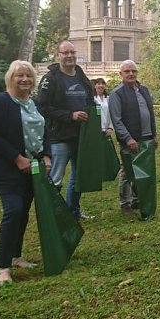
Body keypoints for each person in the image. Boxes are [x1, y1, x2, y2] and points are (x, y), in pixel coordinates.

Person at [0, 60, 51, 285]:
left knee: (23, 213)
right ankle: (4, 268)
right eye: (19, 75)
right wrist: (17, 158)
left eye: (28, 75)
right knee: (13, 211)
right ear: (10, 78)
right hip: (7, 168)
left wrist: (47, 155)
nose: (24, 79)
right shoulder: (1, 103)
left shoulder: (34, 104)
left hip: (32, 168)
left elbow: (45, 131)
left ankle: (16, 256)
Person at [37, 40, 95, 220]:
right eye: (65, 53)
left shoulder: (81, 76)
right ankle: (53, 217)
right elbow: (44, 107)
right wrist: (70, 116)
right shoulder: (50, 79)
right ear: (58, 55)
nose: (70, 56)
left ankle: (73, 213)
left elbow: (90, 102)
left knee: (78, 176)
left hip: (81, 136)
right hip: (59, 136)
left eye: (72, 52)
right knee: (56, 177)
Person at [108, 60, 157, 214]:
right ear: (121, 74)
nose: (131, 74)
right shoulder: (117, 94)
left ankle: (138, 200)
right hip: (130, 140)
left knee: (145, 171)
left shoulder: (143, 90)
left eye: (133, 71)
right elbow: (117, 120)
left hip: (146, 138)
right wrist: (128, 138)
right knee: (128, 172)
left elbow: (150, 113)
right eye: (127, 71)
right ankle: (125, 203)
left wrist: (154, 134)